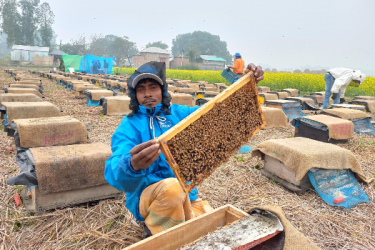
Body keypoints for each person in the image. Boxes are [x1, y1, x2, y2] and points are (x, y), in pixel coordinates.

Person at [104, 61, 264, 237]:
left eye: (153, 87)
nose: (147, 94)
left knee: (212, 230)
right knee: (171, 189)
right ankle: (154, 233)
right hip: (147, 197)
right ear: (135, 95)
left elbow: (214, 115)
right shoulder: (129, 126)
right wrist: (131, 165)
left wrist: (243, 87)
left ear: (162, 91)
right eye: (141, 89)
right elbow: (114, 168)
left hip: (186, 194)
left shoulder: (178, 114)